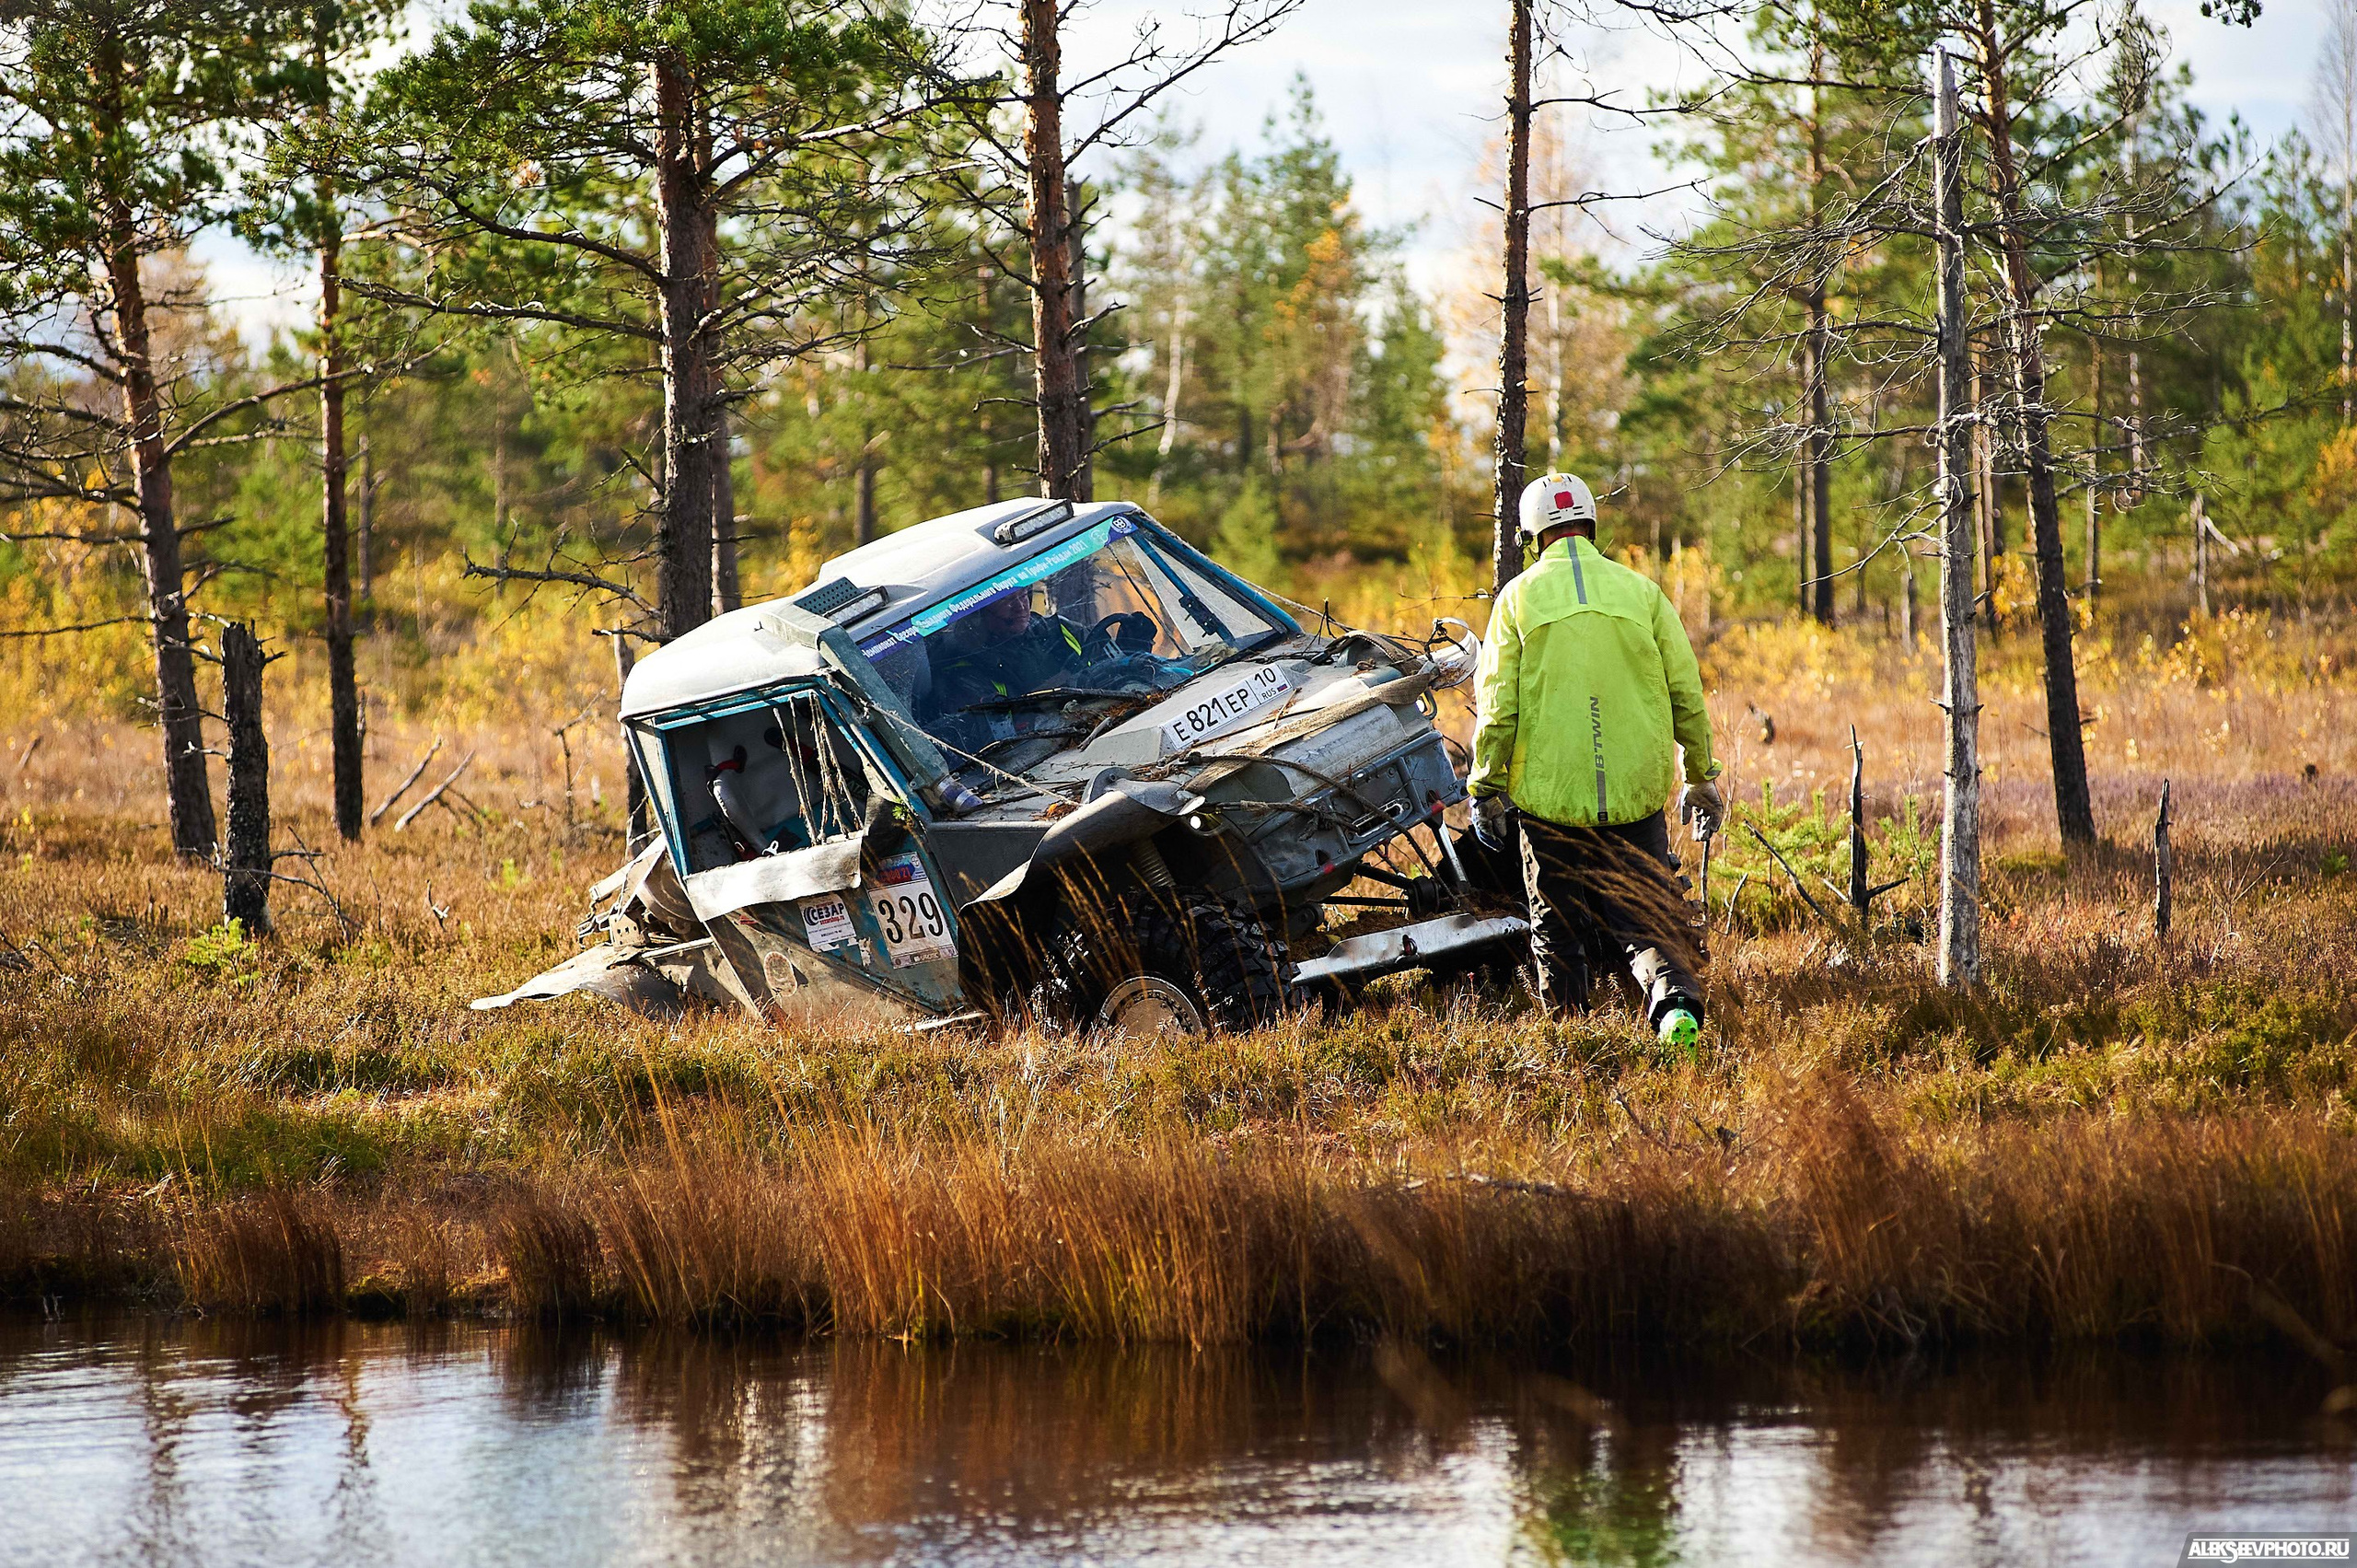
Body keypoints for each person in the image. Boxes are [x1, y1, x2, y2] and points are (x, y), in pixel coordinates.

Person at [1468, 471, 1725, 1047]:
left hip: (1550, 800)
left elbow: (1498, 707)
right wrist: (1702, 778)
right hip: (1636, 793)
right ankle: (1674, 1006)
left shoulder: (1517, 600)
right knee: (1646, 921)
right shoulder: (1642, 593)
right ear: (1590, 524)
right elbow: (1686, 691)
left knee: (1555, 928)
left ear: (1534, 536)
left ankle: (1573, 1043)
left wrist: (1485, 786)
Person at [928, 584, 1088, 714]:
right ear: (978, 613)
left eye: (1023, 595)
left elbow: (1108, 663)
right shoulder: (962, 671)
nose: (1020, 607)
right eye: (1006, 601)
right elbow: (1007, 730)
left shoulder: (1063, 630)